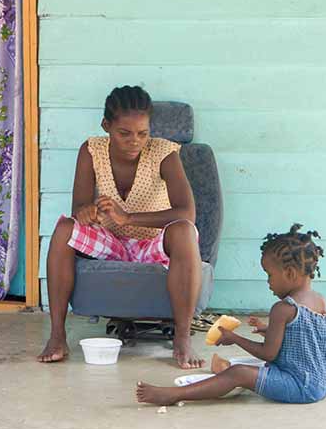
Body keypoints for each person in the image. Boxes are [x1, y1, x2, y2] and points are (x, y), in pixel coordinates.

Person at [39, 85, 205, 368]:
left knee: (185, 231)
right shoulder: (92, 150)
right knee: (65, 228)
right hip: (111, 243)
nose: (134, 141)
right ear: (106, 126)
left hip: (154, 244)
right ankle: (56, 336)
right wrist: (87, 212)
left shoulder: (164, 153)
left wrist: (128, 218)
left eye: (143, 133)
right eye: (124, 133)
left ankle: (182, 338)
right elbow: (77, 208)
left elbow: (187, 213)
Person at [136, 224, 326, 406]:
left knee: (238, 373)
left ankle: (174, 395)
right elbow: (307, 342)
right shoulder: (320, 301)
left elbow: (268, 353)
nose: (269, 283)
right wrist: (269, 330)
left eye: (270, 275)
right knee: (245, 367)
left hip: (299, 387)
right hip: (321, 383)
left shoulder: (283, 308)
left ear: (290, 273)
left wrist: (235, 338)